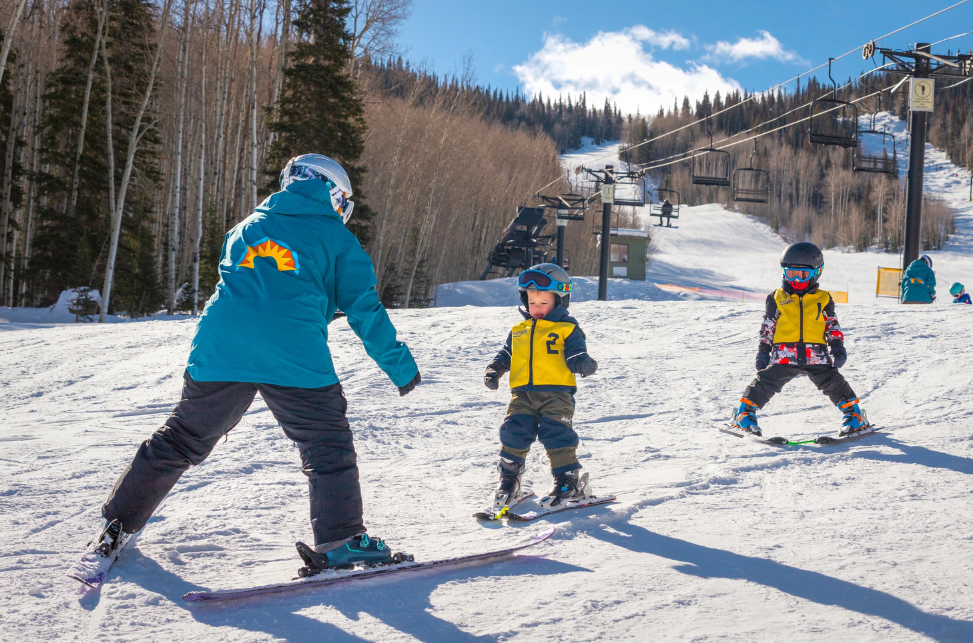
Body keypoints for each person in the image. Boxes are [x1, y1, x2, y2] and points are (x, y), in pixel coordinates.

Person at [88, 154, 422, 576]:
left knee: (181, 438)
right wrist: (401, 366)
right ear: (333, 194)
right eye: (342, 202)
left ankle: (116, 526)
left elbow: (239, 284)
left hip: (221, 347)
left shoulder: (246, 226)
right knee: (325, 446)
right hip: (293, 353)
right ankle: (341, 541)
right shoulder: (337, 239)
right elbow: (364, 309)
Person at [483, 263, 599, 509]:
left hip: (557, 395)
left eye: (543, 303)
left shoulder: (567, 329)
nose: (536, 308)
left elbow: (576, 353)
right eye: (532, 302)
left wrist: (583, 363)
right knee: (514, 431)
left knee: (556, 433)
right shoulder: (519, 330)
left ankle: (568, 480)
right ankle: (509, 478)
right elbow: (506, 354)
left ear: (560, 301)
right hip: (522, 394)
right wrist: (494, 370)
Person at [730, 242, 868, 437]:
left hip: (816, 355)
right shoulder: (776, 298)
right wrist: (763, 351)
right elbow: (768, 326)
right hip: (784, 355)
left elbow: (831, 325)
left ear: (816, 272)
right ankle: (744, 414)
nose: (796, 280)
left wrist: (837, 347)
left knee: (833, 382)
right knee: (766, 382)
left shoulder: (823, 298)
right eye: (791, 274)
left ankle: (854, 415)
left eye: (802, 275)